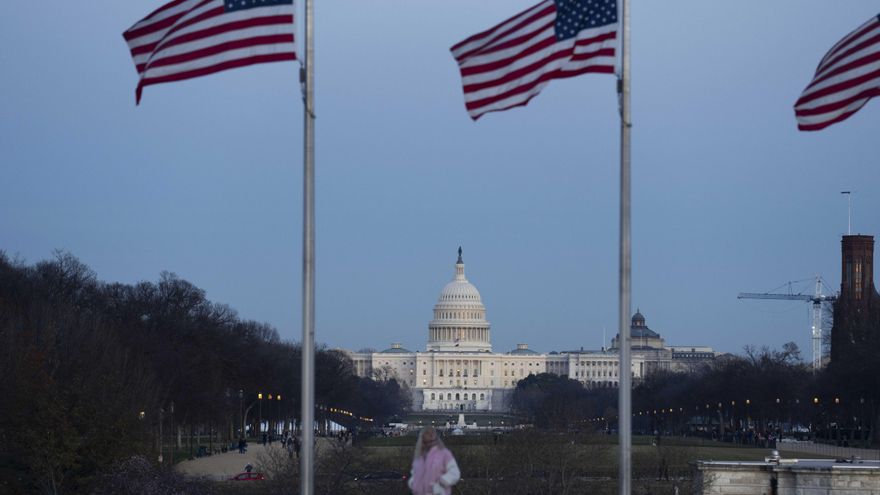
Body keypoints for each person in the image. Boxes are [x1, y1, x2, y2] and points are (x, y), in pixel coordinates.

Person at [408, 427, 460, 495]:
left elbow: (455, 473)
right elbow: (414, 473)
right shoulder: (419, 457)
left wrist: (442, 481)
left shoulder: (445, 454)